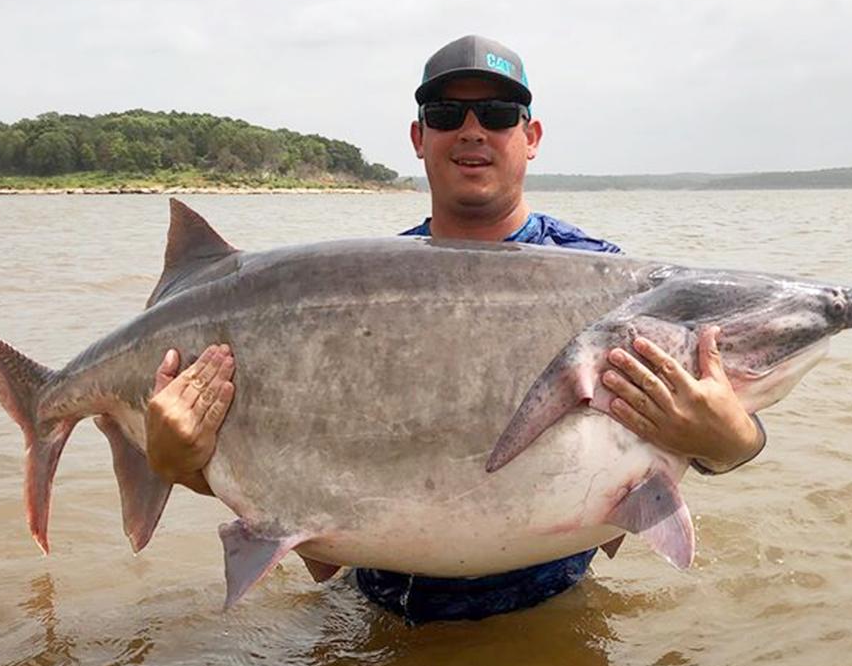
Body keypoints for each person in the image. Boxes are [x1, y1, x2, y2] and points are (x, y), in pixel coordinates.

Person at [145, 35, 766, 624]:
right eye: (446, 113)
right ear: (419, 137)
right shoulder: (360, 289)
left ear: (532, 136)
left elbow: (710, 406)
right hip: (372, 609)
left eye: (498, 112)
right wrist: (178, 465)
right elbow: (289, 458)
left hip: (545, 611)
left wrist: (735, 442)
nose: (472, 130)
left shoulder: (602, 278)